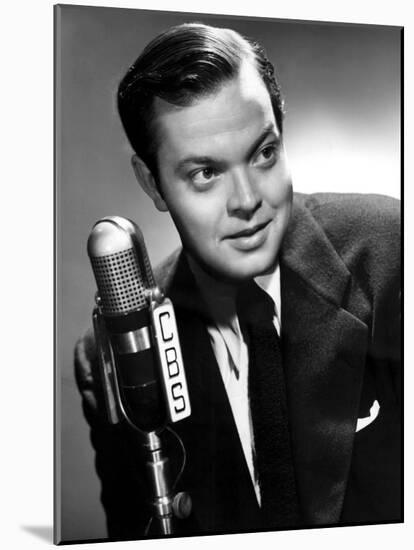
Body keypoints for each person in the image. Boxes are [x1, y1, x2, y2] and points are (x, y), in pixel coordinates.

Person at [74, 22, 401, 540]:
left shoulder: (395, 254)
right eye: (205, 173)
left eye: (263, 153)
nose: (248, 200)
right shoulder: (110, 353)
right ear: (151, 182)